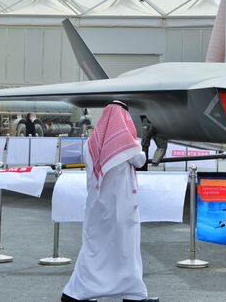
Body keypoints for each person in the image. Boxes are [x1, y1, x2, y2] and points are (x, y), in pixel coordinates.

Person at [61, 101, 159, 302]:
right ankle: (131, 293)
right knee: (125, 250)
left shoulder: (91, 144)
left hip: (97, 207)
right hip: (121, 209)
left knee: (94, 249)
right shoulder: (127, 144)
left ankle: (78, 292)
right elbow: (140, 161)